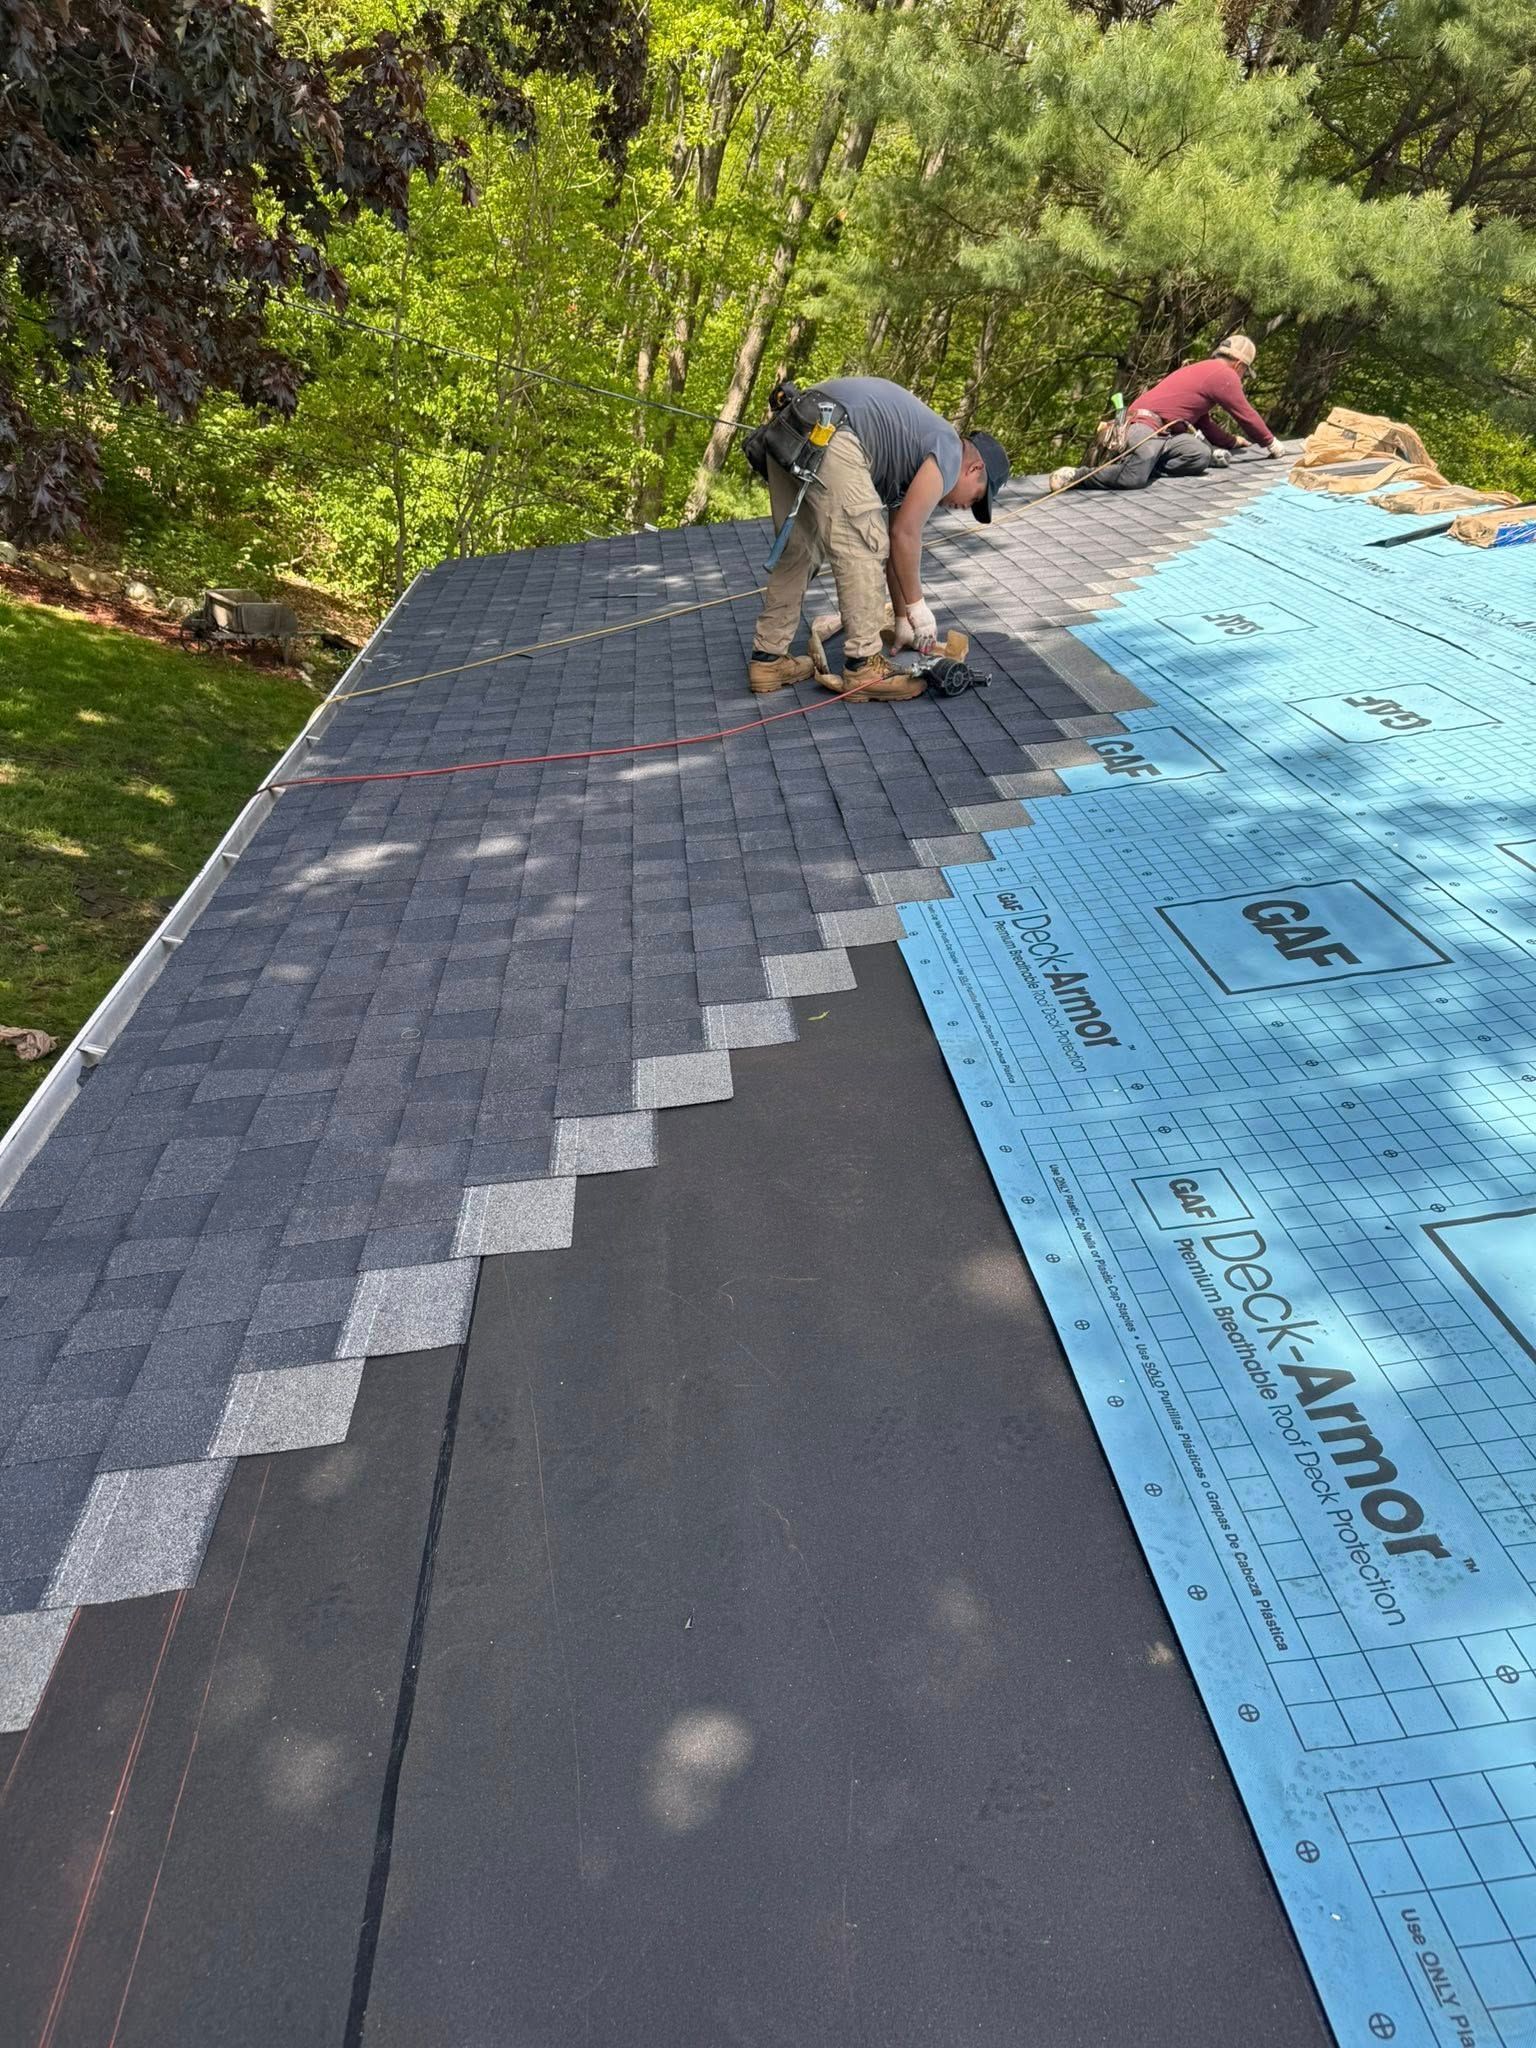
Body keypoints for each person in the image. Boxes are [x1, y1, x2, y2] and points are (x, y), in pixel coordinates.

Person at [747, 376, 1010, 701]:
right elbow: (904, 534)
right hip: (835, 433)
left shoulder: (913, 455)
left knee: (799, 551)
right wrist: (919, 609)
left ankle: (768, 660)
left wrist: (903, 620)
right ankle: (863, 666)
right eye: (975, 499)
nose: (963, 507)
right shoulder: (949, 450)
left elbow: (900, 542)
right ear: (974, 469)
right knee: (864, 547)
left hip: (797, 423)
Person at [1052, 335, 1282, 494]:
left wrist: (1232, 441)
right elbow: (1245, 414)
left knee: (1199, 455)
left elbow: (1205, 424)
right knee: (1134, 478)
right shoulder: (1224, 374)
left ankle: (1144, 464)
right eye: (1244, 372)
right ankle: (1076, 477)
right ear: (1239, 365)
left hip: (1164, 435)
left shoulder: (1201, 371)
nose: (1241, 377)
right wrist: (1270, 443)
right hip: (1142, 425)